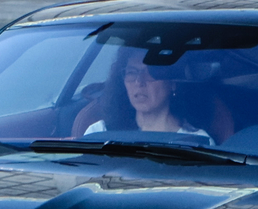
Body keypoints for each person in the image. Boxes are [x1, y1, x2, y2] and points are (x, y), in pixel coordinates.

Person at [85, 50, 214, 141]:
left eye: (151, 73)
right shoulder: (99, 133)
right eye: (131, 72)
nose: (139, 82)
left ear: (172, 83)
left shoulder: (197, 141)